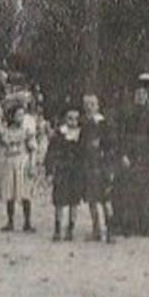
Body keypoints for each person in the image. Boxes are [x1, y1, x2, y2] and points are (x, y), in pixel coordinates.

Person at [112, 74, 149, 236]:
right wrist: (123, 154)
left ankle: (146, 225)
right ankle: (129, 224)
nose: (140, 98)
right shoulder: (127, 113)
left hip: (147, 154)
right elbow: (120, 135)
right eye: (137, 95)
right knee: (128, 189)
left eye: (143, 95)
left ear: (147, 97)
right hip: (131, 153)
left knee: (147, 189)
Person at [0, 90, 40, 233]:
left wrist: (32, 164)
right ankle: (10, 221)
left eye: (22, 114)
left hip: (22, 161)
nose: (21, 117)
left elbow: (33, 148)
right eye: (18, 115)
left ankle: (27, 222)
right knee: (9, 192)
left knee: (25, 192)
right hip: (10, 162)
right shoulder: (6, 131)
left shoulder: (26, 131)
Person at [46, 101, 86, 241]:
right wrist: (50, 171)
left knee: (73, 201)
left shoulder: (81, 135)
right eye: (70, 118)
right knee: (59, 201)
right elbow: (51, 153)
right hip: (62, 170)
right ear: (65, 119)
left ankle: (70, 228)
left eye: (76, 118)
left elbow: (84, 154)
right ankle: (57, 228)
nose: (73, 122)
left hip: (75, 171)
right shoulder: (59, 134)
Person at [79, 93, 113, 242]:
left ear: (98, 106)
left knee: (105, 199)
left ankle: (110, 230)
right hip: (88, 164)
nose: (89, 107)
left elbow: (111, 144)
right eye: (86, 104)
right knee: (92, 199)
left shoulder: (103, 123)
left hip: (101, 164)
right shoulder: (84, 124)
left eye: (92, 104)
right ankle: (96, 229)